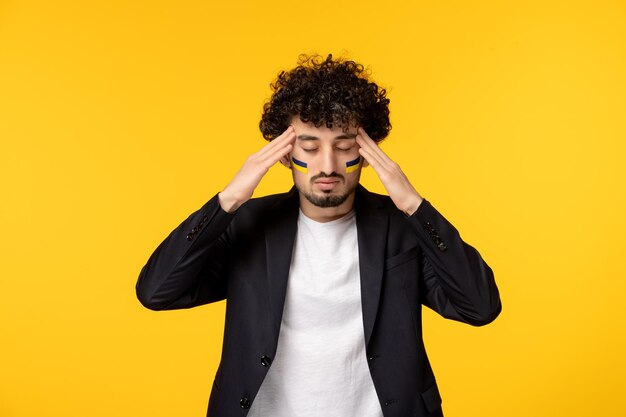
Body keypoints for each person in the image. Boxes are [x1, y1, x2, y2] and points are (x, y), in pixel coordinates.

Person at [135, 53, 502, 417]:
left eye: (344, 147)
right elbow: (156, 292)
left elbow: (480, 307)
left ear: (366, 150)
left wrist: (413, 205)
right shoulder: (248, 224)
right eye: (310, 148)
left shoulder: (402, 228)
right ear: (284, 154)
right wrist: (228, 201)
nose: (327, 165)